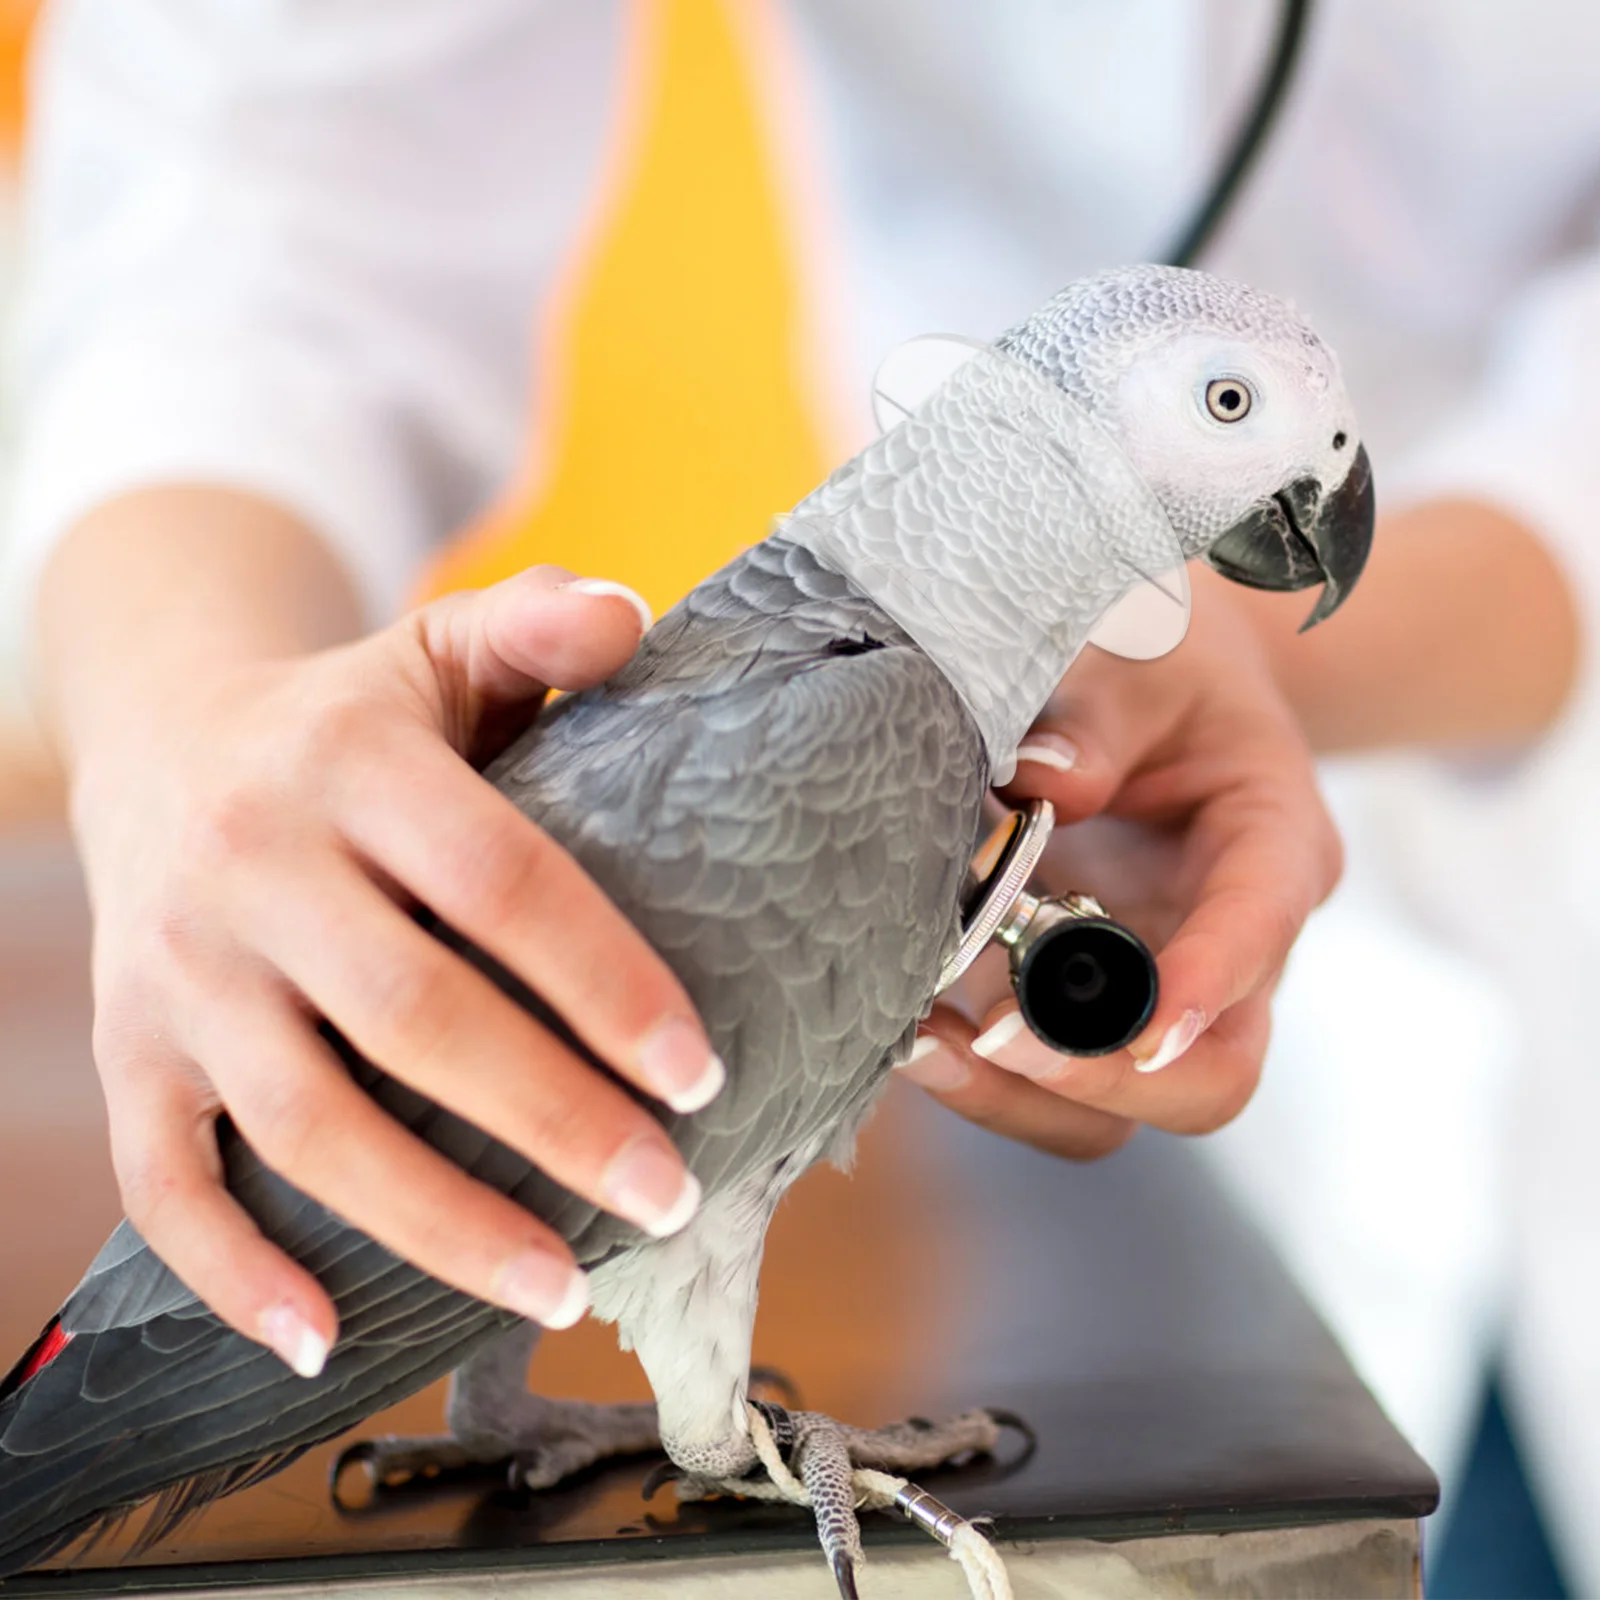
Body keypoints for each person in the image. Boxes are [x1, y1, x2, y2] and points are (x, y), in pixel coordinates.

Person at [5, 0, 1597, 1587]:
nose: (1318, 458)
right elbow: (267, 192)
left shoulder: (882, 699)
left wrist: (1273, 667)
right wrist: (181, 717)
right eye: (1227, 406)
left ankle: (533, 1404)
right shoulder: (873, 731)